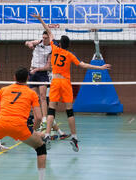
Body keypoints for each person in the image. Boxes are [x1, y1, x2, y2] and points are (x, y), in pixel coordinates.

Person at [32, 14, 111, 152]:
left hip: (55, 81)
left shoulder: (55, 49)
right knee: (69, 112)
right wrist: (100, 67)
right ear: (69, 45)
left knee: (51, 111)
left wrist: (40, 19)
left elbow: (49, 31)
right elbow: (84, 65)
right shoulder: (70, 55)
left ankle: (47, 135)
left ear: (60, 44)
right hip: (66, 83)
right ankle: (74, 138)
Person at [25, 32, 51, 129]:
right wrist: (30, 44)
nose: (44, 40)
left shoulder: (51, 49)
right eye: (43, 38)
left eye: (46, 38)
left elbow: (48, 67)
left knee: (43, 96)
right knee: (34, 98)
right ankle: (37, 118)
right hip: (32, 72)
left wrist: (38, 70)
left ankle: (44, 119)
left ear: (49, 38)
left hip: (42, 73)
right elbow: (26, 42)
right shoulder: (39, 42)